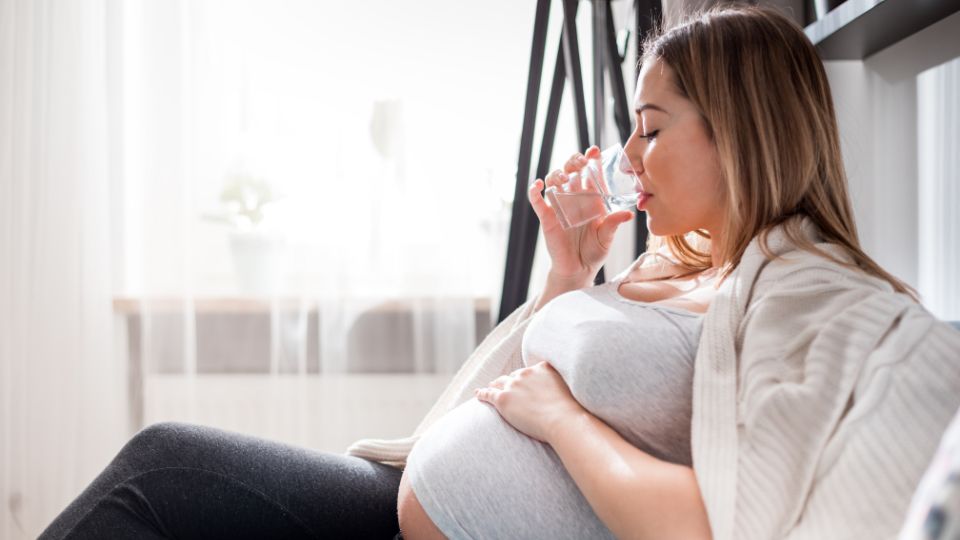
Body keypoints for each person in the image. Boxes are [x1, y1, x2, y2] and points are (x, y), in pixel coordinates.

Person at [41, 4, 960, 540]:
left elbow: (714, 523)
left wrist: (559, 424)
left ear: (743, 132)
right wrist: (572, 269)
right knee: (162, 469)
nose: (630, 156)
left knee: (160, 483)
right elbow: (529, 377)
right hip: (409, 509)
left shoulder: (799, 289)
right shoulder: (676, 258)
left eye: (650, 126)